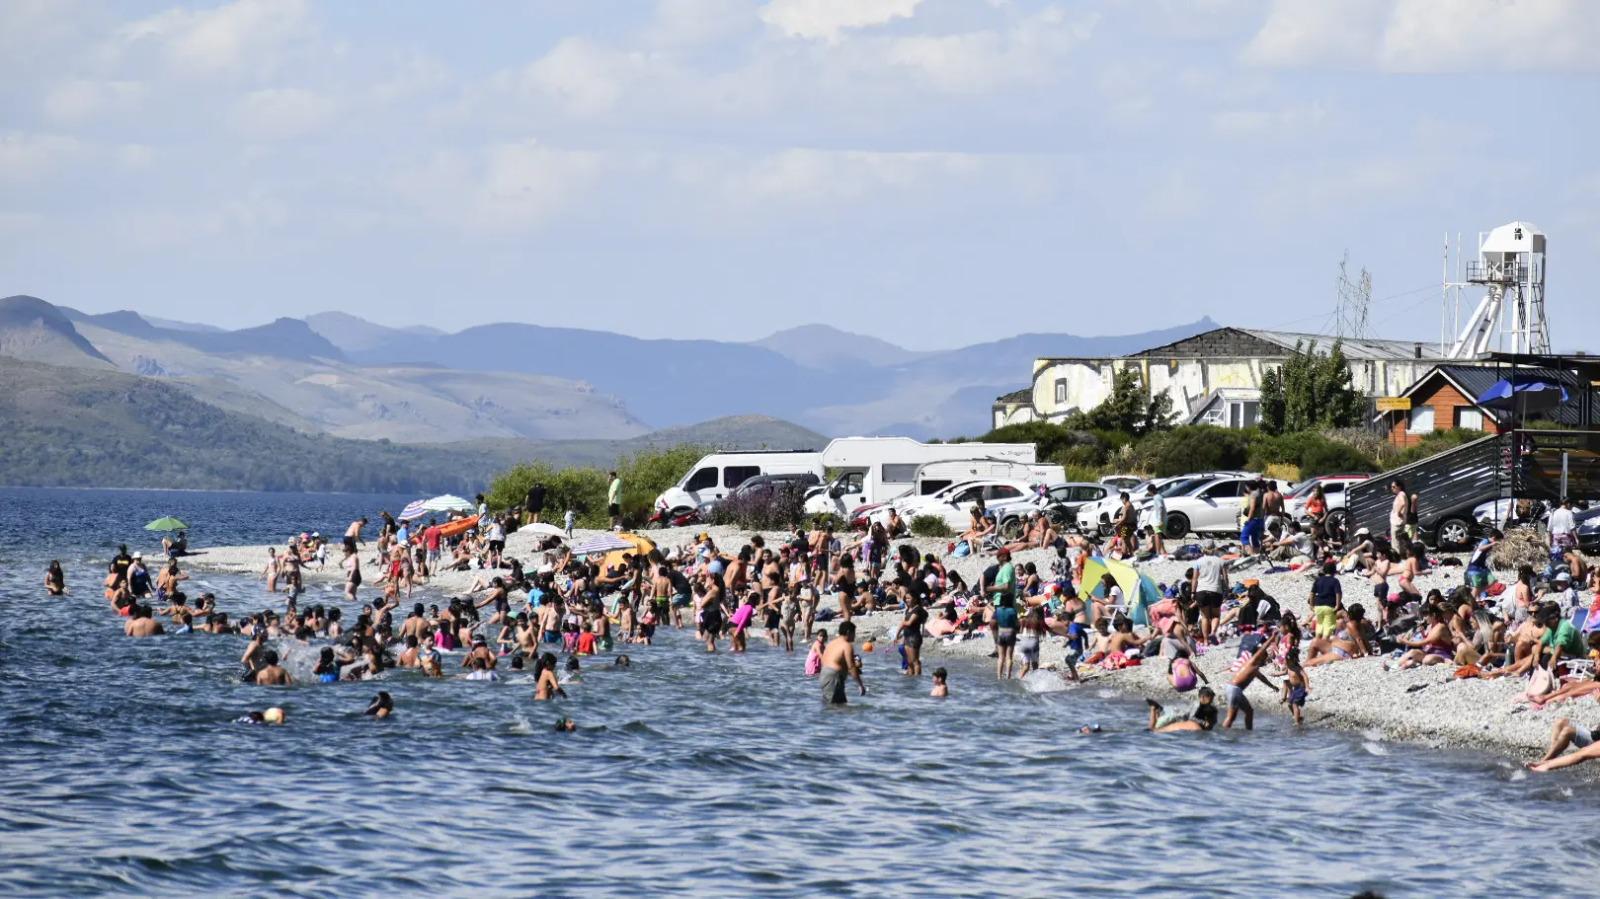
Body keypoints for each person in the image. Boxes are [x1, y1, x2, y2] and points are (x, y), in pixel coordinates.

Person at [1224, 639, 1276, 730]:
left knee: (1248, 712)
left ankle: (1248, 732)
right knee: (1231, 716)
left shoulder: (1254, 667)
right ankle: (1223, 735)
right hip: (1234, 689)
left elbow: (1262, 678)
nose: (1265, 658)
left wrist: (1273, 686)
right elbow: (1262, 649)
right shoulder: (1252, 661)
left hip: (1234, 689)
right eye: (1264, 656)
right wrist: (1272, 637)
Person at [1189, 540, 1228, 644]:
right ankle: (1213, 634)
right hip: (1216, 590)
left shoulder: (1198, 562)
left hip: (1201, 590)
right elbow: (1224, 578)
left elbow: (1194, 579)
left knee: (1205, 616)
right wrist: (1226, 590)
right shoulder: (1221, 561)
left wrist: (1193, 592)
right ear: (1214, 548)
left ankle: (1206, 640)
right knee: (1215, 615)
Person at [1528, 717, 1600, 773]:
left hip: (1595, 740)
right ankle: (1551, 755)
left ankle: (1545, 761)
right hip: (1595, 735)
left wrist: (1548, 765)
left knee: (1568, 732)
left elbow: (1581, 755)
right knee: (1560, 722)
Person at [819, 620, 865, 705]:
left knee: (835, 704)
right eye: (854, 633)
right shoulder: (847, 645)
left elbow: (827, 660)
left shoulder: (831, 643)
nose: (855, 636)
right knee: (835, 706)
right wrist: (860, 684)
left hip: (824, 675)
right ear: (848, 632)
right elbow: (851, 667)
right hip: (834, 677)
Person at [1146, 689, 1218, 733]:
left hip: (1176, 718)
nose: (1214, 723)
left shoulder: (1202, 708)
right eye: (1213, 721)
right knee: (1152, 730)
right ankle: (1154, 708)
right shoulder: (1196, 725)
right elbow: (1191, 717)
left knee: (1155, 728)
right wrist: (1204, 723)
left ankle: (1156, 710)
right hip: (1174, 717)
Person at [899, 593, 927, 676]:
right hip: (907, 636)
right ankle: (910, 681)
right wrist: (900, 635)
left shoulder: (917, 610)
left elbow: (909, 623)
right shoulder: (909, 610)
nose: (907, 600)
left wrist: (903, 623)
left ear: (914, 599)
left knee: (915, 661)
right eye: (906, 598)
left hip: (914, 637)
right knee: (909, 661)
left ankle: (917, 679)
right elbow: (905, 625)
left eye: (909, 598)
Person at [1280, 651, 1309, 726]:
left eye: (1288, 661)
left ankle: (1297, 722)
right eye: (1286, 660)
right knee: (1289, 704)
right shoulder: (1289, 667)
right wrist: (1275, 674)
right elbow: (1284, 672)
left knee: (1295, 704)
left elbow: (1305, 676)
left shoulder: (1297, 667)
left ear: (1294, 660)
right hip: (1295, 689)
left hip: (1301, 688)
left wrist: (1307, 687)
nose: (1286, 662)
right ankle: (1298, 717)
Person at [1388, 480, 1409, 547]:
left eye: (1394, 487)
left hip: (1397, 523)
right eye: (1391, 487)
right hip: (1397, 522)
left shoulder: (1401, 493)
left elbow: (1402, 503)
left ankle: (1399, 555)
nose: (1392, 489)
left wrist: (1398, 512)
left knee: (1396, 542)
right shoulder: (1400, 494)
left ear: (1399, 487)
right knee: (1400, 540)